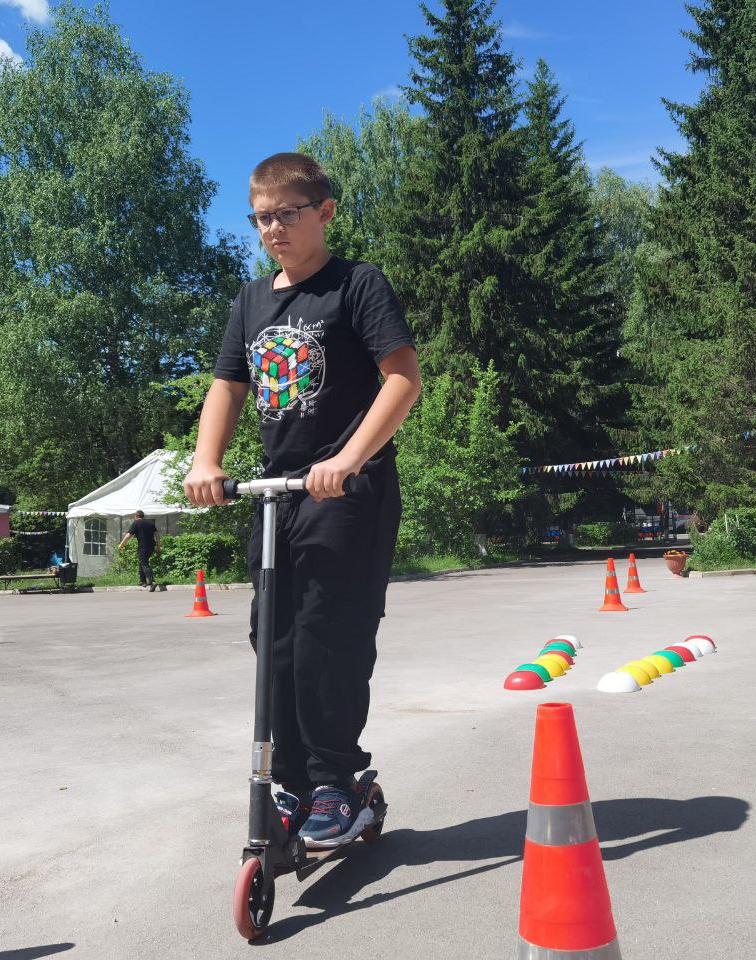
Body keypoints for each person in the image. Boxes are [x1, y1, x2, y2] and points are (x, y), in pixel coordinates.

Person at [184, 152, 420, 848]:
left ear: (325, 212)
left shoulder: (356, 285)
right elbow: (227, 386)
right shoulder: (252, 301)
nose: (274, 229)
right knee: (275, 640)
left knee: (327, 635)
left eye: (288, 214)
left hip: (347, 489)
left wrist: (349, 459)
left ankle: (335, 782)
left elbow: (402, 378)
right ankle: (289, 780)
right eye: (262, 218)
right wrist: (205, 461)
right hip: (278, 494)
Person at [118, 510, 162, 592]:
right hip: (151, 547)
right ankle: (143, 581)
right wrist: (158, 547)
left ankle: (152, 582)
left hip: (143, 547)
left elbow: (128, 536)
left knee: (144, 563)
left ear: (136, 516)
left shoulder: (136, 523)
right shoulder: (151, 523)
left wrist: (121, 544)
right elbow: (157, 536)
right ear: (143, 516)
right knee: (142, 562)